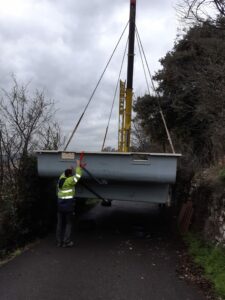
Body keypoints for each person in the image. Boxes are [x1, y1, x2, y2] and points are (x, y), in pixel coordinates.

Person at [56, 159, 82, 247]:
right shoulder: (70, 181)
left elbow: (64, 174)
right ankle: (66, 242)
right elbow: (78, 176)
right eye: (71, 173)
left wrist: (69, 169)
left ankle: (59, 242)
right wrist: (78, 166)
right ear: (70, 175)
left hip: (60, 206)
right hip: (68, 207)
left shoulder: (61, 179)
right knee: (68, 224)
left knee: (59, 224)